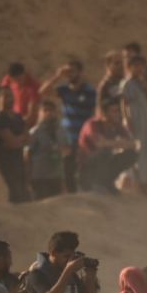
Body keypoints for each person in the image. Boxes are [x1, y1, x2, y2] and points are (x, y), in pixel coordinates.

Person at [39, 59, 97, 193]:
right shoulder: (64, 90)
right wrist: (57, 76)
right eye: (68, 72)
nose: (70, 75)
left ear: (80, 73)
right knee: (67, 168)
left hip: (83, 136)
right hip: (67, 136)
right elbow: (43, 91)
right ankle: (72, 194)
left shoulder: (89, 91)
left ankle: (87, 193)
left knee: (84, 167)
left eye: (73, 71)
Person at [76, 97, 138, 193]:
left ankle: (107, 182)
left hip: (103, 164)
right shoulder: (92, 124)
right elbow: (99, 144)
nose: (117, 114)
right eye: (114, 111)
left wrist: (113, 143)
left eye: (118, 111)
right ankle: (95, 185)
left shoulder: (117, 125)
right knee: (104, 152)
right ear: (104, 113)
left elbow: (133, 144)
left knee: (131, 154)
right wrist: (119, 143)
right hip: (87, 167)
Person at [119, 55, 147, 188]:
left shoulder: (142, 83)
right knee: (136, 149)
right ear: (129, 68)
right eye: (136, 66)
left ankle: (143, 181)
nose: (139, 69)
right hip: (135, 119)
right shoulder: (127, 83)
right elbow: (124, 102)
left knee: (146, 150)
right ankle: (132, 183)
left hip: (145, 120)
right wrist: (126, 119)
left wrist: (145, 84)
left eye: (141, 66)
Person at [0, 87, 31, 202]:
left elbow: (28, 139)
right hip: (7, 162)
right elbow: (12, 143)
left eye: (11, 96)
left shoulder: (17, 117)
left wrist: (19, 139)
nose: (9, 99)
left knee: (25, 194)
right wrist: (20, 139)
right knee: (15, 193)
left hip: (20, 160)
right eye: (6, 96)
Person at [25, 98, 67, 199]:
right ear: (39, 113)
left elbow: (65, 151)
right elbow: (27, 155)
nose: (48, 113)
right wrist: (27, 178)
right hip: (39, 177)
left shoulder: (60, 130)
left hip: (56, 176)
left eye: (51, 110)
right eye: (45, 110)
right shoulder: (35, 132)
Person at [0, 62, 41, 127]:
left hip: (27, 124)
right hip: (13, 118)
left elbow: (31, 115)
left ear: (24, 74)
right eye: (16, 80)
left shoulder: (34, 86)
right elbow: (3, 97)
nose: (19, 82)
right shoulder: (8, 79)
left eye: (20, 79)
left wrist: (18, 126)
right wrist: (2, 116)